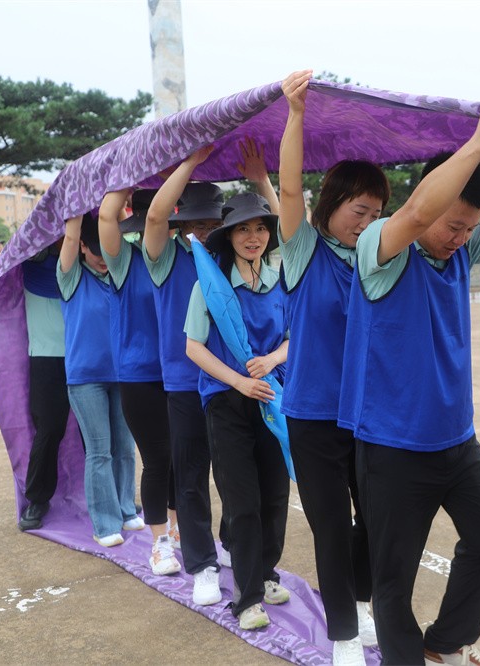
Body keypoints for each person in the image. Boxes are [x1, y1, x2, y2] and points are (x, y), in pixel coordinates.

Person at [338, 101, 480, 666]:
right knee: (393, 579)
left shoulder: (460, 249)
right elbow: (420, 212)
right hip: (393, 446)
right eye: (454, 225)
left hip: (456, 439)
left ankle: (442, 644)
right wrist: (478, 144)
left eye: (469, 228)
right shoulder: (381, 247)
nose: (460, 237)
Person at [278, 69, 387, 666]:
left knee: (374, 519)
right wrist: (296, 115)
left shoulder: (375, 257)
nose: (366, 222)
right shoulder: (304, 249)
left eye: (376, 213)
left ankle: (362, 603)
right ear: (333, 204)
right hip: (314, 415)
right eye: (358, 209)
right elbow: (289, 188)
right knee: (330, 524)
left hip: (366, 414)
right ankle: (343, 633)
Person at [144, 140, 278, 606]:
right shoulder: (167, 258)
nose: (203, 230)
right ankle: (202, 564)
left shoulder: (233, 260)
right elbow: (155, 218)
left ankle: (240, 552)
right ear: (183, 227)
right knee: (191, 477)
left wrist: (261, 180)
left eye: (211, 223)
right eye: (195, 223)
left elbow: (282, 231)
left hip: (239, 389)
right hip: (187, 381)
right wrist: (189, 162)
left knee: (242, 481)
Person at [184, 192, 291, 630]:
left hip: (273, 397)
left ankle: (266, 573)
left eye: (261, 228)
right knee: (242, 502)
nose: (254, 236)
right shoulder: (209, 285)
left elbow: (295, 337)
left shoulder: (281, 280)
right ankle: (247, 599)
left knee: (275, 496)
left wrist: (273, 359)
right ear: (228, 237)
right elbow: (193, 348)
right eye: (243, 229)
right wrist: (239, 380)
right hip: (227, 402)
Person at [99, 188, 180, 575]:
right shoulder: (124, 260)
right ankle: (159, 544)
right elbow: (106, 218)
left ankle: (178, 530)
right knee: (157, 460)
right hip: (140, 375)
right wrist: (124, 180)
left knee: (182, 458)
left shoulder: (182, 255)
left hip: (182, 373)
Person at [57, 213, 138, 547]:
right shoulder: (71, 277)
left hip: (123, 374)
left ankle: (126, 508)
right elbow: (70, 239)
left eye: (108, 249)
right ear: (83, 247)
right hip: (86, 378)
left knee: (126, 447)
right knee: (100, 451)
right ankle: (105, 524)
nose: (103, 258)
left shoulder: (120, 274)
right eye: (95, 250)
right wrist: (76, 209)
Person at [17, 240, 71, 532]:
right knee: (49, 430)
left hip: (86, 354)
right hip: (46, 356)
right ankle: (38, 499)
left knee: (101, 434)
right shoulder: (31, 262)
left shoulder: (86, 261)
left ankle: (115, 498)